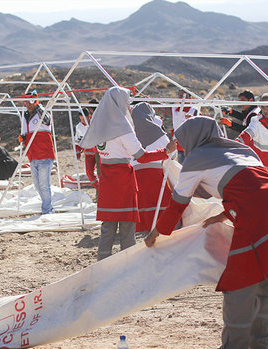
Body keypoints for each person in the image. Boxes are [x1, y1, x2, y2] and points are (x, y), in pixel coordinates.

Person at [145, 116, 268, 349]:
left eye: (181, 142)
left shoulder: (196, 159)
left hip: (255, 214)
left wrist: (157, 232)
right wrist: (223, 214)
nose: (181, 148)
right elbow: (256, 184)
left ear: (192, 139)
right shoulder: (240, 149)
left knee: (240, 284)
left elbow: (179, 202)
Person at [80, 86, 175, 261]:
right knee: (127, 227)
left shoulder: (100, 126)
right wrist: (166, 151)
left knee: (107, 227)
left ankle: (103, 265)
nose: (129, 107)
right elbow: (142, 156)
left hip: (107, 180)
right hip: (123, 180)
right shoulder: (123, 128)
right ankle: (127, 265)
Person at [131, 102, 172, 233]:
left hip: (135, 176)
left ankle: (146, 232)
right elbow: (171, 153)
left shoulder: (130, 133)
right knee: (161, 205)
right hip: (155, 174)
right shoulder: (157, 132)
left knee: (143, 206)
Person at [19, 92, 56, 214]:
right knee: (37, 185)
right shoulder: (25, 116)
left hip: (44, 154)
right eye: (26, 102)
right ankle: (47, 205)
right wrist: (23, 138)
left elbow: (47, 121)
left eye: (31, 102)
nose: (28, 105)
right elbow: (26, 133)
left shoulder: (42, 112)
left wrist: (39, 106)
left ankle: (47, 210)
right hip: (33, 155)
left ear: (36, 101)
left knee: (44, 184)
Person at [74, 109, 99, 189]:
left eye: (84, 119)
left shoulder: (96, 122)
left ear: (89, 116)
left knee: (102, 171)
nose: (82, 121)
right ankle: (98, 187)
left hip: (99, 152)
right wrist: (78, 153)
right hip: (88, 152)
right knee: (89, 172)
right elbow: (77, 141)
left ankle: (105, 188)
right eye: (81, 119)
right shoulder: (78, 127)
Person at [171, 90, 198, 163]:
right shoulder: (174, 108)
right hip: (178, 144)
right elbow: (161, 105)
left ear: (190, 98)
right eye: (180, 96)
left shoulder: (194, 110)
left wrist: (193, 119)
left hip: (189, 146)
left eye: (185, 96)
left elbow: (200, 125)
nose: (182, 98)